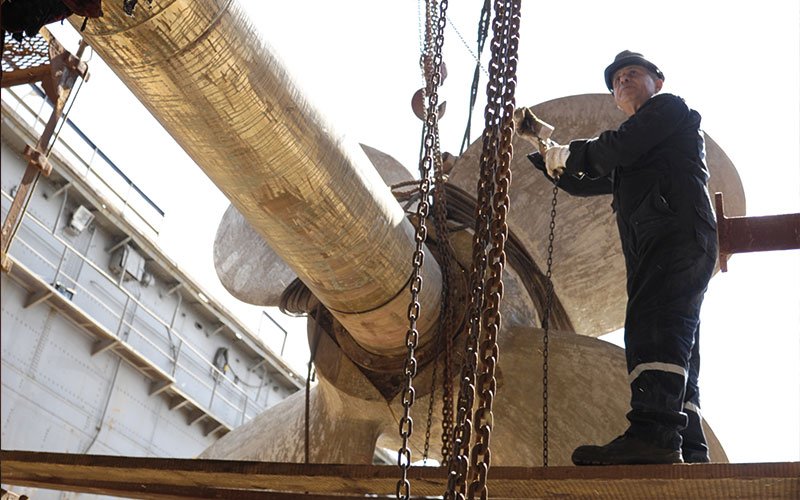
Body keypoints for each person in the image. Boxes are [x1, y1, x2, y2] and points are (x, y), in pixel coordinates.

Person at [527, 50, 718, 465]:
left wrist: (570, 153)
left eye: (633, 73)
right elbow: (585, 180)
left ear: (657, 83)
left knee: (654, 325)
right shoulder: (637, 153)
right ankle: (686, 442)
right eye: (617, 80)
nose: (623, 81)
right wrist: (547, 155)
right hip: (664, 242)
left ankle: (653, 434)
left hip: (675, 236)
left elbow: (615, 148)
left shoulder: (669, 110)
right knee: (677, 342)